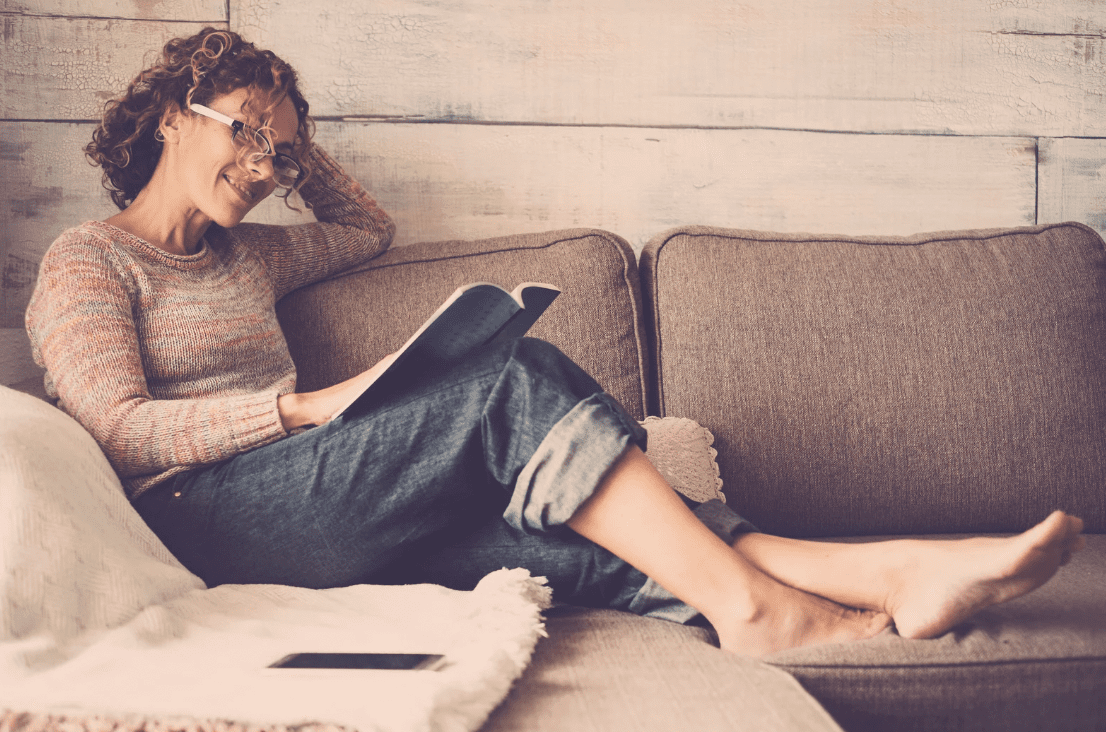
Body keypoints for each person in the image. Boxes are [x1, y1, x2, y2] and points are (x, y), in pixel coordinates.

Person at [25, 27, 1085, 659]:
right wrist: (302, 409)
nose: (262, 167)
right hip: (207, 521)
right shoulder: (87, 260)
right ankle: (758, 612)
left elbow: (363, 230)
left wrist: (291, 132)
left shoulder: (248, 257)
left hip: (324, 513)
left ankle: (892, 579)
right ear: (173, 111)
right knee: (507, 380)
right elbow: (116, 432)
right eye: (243, 133)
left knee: (597, 539)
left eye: (277, 151)